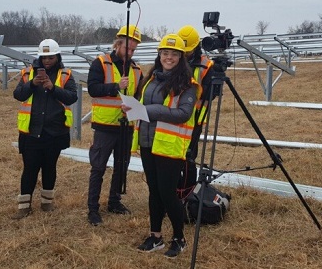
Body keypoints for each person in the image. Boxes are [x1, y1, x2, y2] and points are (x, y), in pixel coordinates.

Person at [128, 34, 201, 259]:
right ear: (159, 55)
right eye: (165, 53)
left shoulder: (187, 85)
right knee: (154, 192)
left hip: (169, 146)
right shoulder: (151, 79)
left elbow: (183, 114)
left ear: (181, 57)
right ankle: (155, 236)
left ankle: (179, 239)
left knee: (168, 193)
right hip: (148, 142)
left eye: (174, 54)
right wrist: (131, 108)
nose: (169, 57)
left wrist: (147, 111)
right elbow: (144, 106)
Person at [11, 39, 78, 219]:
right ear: (39, 58)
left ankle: (47, 203)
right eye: (44, 57)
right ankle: (24, 206)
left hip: (54, 132)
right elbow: (18, 94)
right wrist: (32, 84)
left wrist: (52, 87)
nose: (47, 61)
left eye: (51, 57)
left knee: (50, 167)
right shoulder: (27, 73)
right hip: (32, 132)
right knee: (30, 168)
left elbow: (72, 97)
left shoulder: (65, 75)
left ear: (57, 57)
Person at [86, 24, 143, 226]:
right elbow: (92, 88)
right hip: (104, 126)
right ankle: (93, 208)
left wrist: (134, 106)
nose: (130, 52)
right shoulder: (100, 63)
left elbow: (138, 95)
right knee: (98, 167)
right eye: (128, 48)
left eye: (134, 50)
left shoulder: (136, 69)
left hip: (126, 126)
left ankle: (114, 201)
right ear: (118, 44)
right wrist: (115, 87)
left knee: (122, 166)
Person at [176, 25, 215, 198]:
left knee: (189, 157)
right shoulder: (174, 58)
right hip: (173, 116)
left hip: (195, 117)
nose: (184, 55)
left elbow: (211, 94)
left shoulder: (206, 65)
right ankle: (174, 189)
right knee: (174, 155)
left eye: (188, 51)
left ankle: (187, 193)